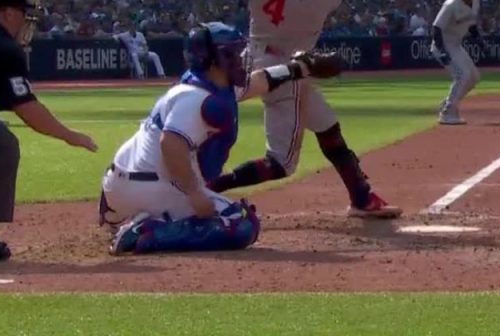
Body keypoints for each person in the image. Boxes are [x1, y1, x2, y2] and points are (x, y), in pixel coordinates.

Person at [207, 0, 402, 219]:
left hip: (250, 57)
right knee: (281, 163)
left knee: (327, 126)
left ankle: (361, 198)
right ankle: (206, 189)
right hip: (290, 70)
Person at [101, 22, 337, 255]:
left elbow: (260, 82)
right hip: (152, 188)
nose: (240, 59)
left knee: (218, 205)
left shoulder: (207, 85)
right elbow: (171, 143)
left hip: (126, 185)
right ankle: (149, 232)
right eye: (232, 54)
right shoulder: (197, 98)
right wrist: (194, 193)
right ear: (212, 60)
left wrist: (300, 68)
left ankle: (137, 215)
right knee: (240, 224)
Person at [0, 0, 97, 262]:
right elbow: (27, 108)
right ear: (8, 12)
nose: (27, 22)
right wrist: (69, 135)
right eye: (25, 14)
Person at [431, 0, 486, 125]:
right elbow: (436, 28)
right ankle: (448, 112)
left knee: (474, 77)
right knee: (462, 75)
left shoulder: (475, 3)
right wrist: (441, 51)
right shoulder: (451, 4)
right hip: (443, 44)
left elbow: (472, 24)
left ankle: (448, 103)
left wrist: (479, 40)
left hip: (456, 44)